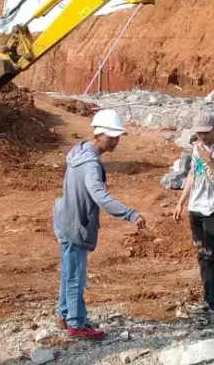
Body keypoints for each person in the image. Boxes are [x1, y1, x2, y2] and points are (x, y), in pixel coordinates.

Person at [53, 109, 147, 340]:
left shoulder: (78, 151)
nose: (115, 142)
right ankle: (76, 324)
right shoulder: (92, 164)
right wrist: (130, 214)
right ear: (98, 134)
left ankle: (64, 314)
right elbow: (100, 196)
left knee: (68, 272)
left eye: (117, 137)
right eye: (111, 137)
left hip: (63, 218)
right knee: (75, 276)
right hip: (75, 224)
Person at [173, 113, 214, 323]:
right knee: (201, 253)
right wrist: (181, 202)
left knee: (211, 255)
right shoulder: (196, 148)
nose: (202, 137)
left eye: (205, 133)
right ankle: (207, 300)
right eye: (198, 133)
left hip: (212, 208)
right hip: (195, 208)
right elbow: (193, 174)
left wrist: (209, 160)